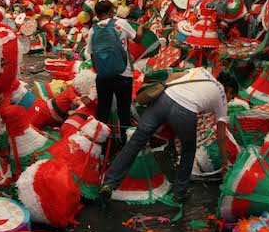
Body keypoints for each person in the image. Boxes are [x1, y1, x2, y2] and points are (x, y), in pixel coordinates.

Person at [99, 68, 238, 204]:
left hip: (163, 99)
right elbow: (221, 134)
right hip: (185, 111)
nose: (229, 100)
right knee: (188, 150)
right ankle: (180, 193)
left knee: (136, 141)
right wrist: (225, 161)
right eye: (231, 97)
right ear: (229, 90)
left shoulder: (201, 71)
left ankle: (109, 183)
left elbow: (172, 77)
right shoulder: (221, 95)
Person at [85, 0, 144, 144]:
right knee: (123, 112)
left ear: (96, 14)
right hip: (123, 75)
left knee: (103, 112)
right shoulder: (121, 23)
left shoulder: (93, 30)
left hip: (103, 77)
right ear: (112, 12)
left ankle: (101, 146)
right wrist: (141, 27)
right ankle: (124, 145)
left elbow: (90, 54)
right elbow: (137, 38)